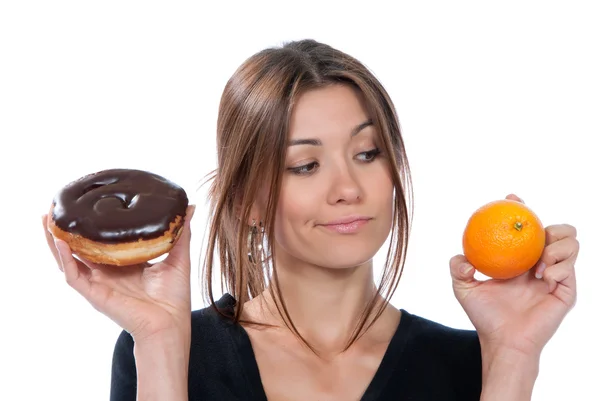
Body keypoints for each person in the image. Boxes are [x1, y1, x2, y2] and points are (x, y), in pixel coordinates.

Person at [43, 39, 579, 401]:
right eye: (306, 165)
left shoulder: (470, 364)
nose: (348, 188)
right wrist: (160, 344)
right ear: (248, 198)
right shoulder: (174, 351)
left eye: (368, 154)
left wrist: (513, 353)